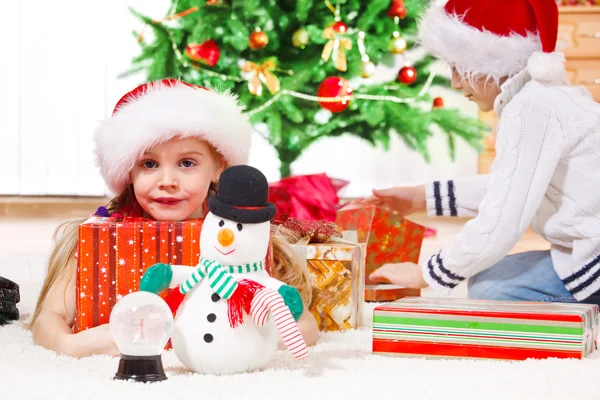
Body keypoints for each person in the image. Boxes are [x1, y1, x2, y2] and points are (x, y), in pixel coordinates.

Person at [28, 79, 318, 357]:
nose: (167, 180)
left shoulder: (240, 239)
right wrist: (74, 346)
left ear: (218, 168)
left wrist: (253, 338)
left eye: (187, 163)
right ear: (129, 172)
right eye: (149, 164)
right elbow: (47, 322)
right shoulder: (100, 239)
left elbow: (305, 327)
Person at [365, 0, 600, 305]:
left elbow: (503, 219)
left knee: (492, 291)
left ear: (493, 61)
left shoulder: (530, 109)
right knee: (485, 278)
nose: (455, 82)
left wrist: (426, 273)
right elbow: (514, 184)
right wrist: (422, 196)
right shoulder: (543, 98)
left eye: (459, 68)